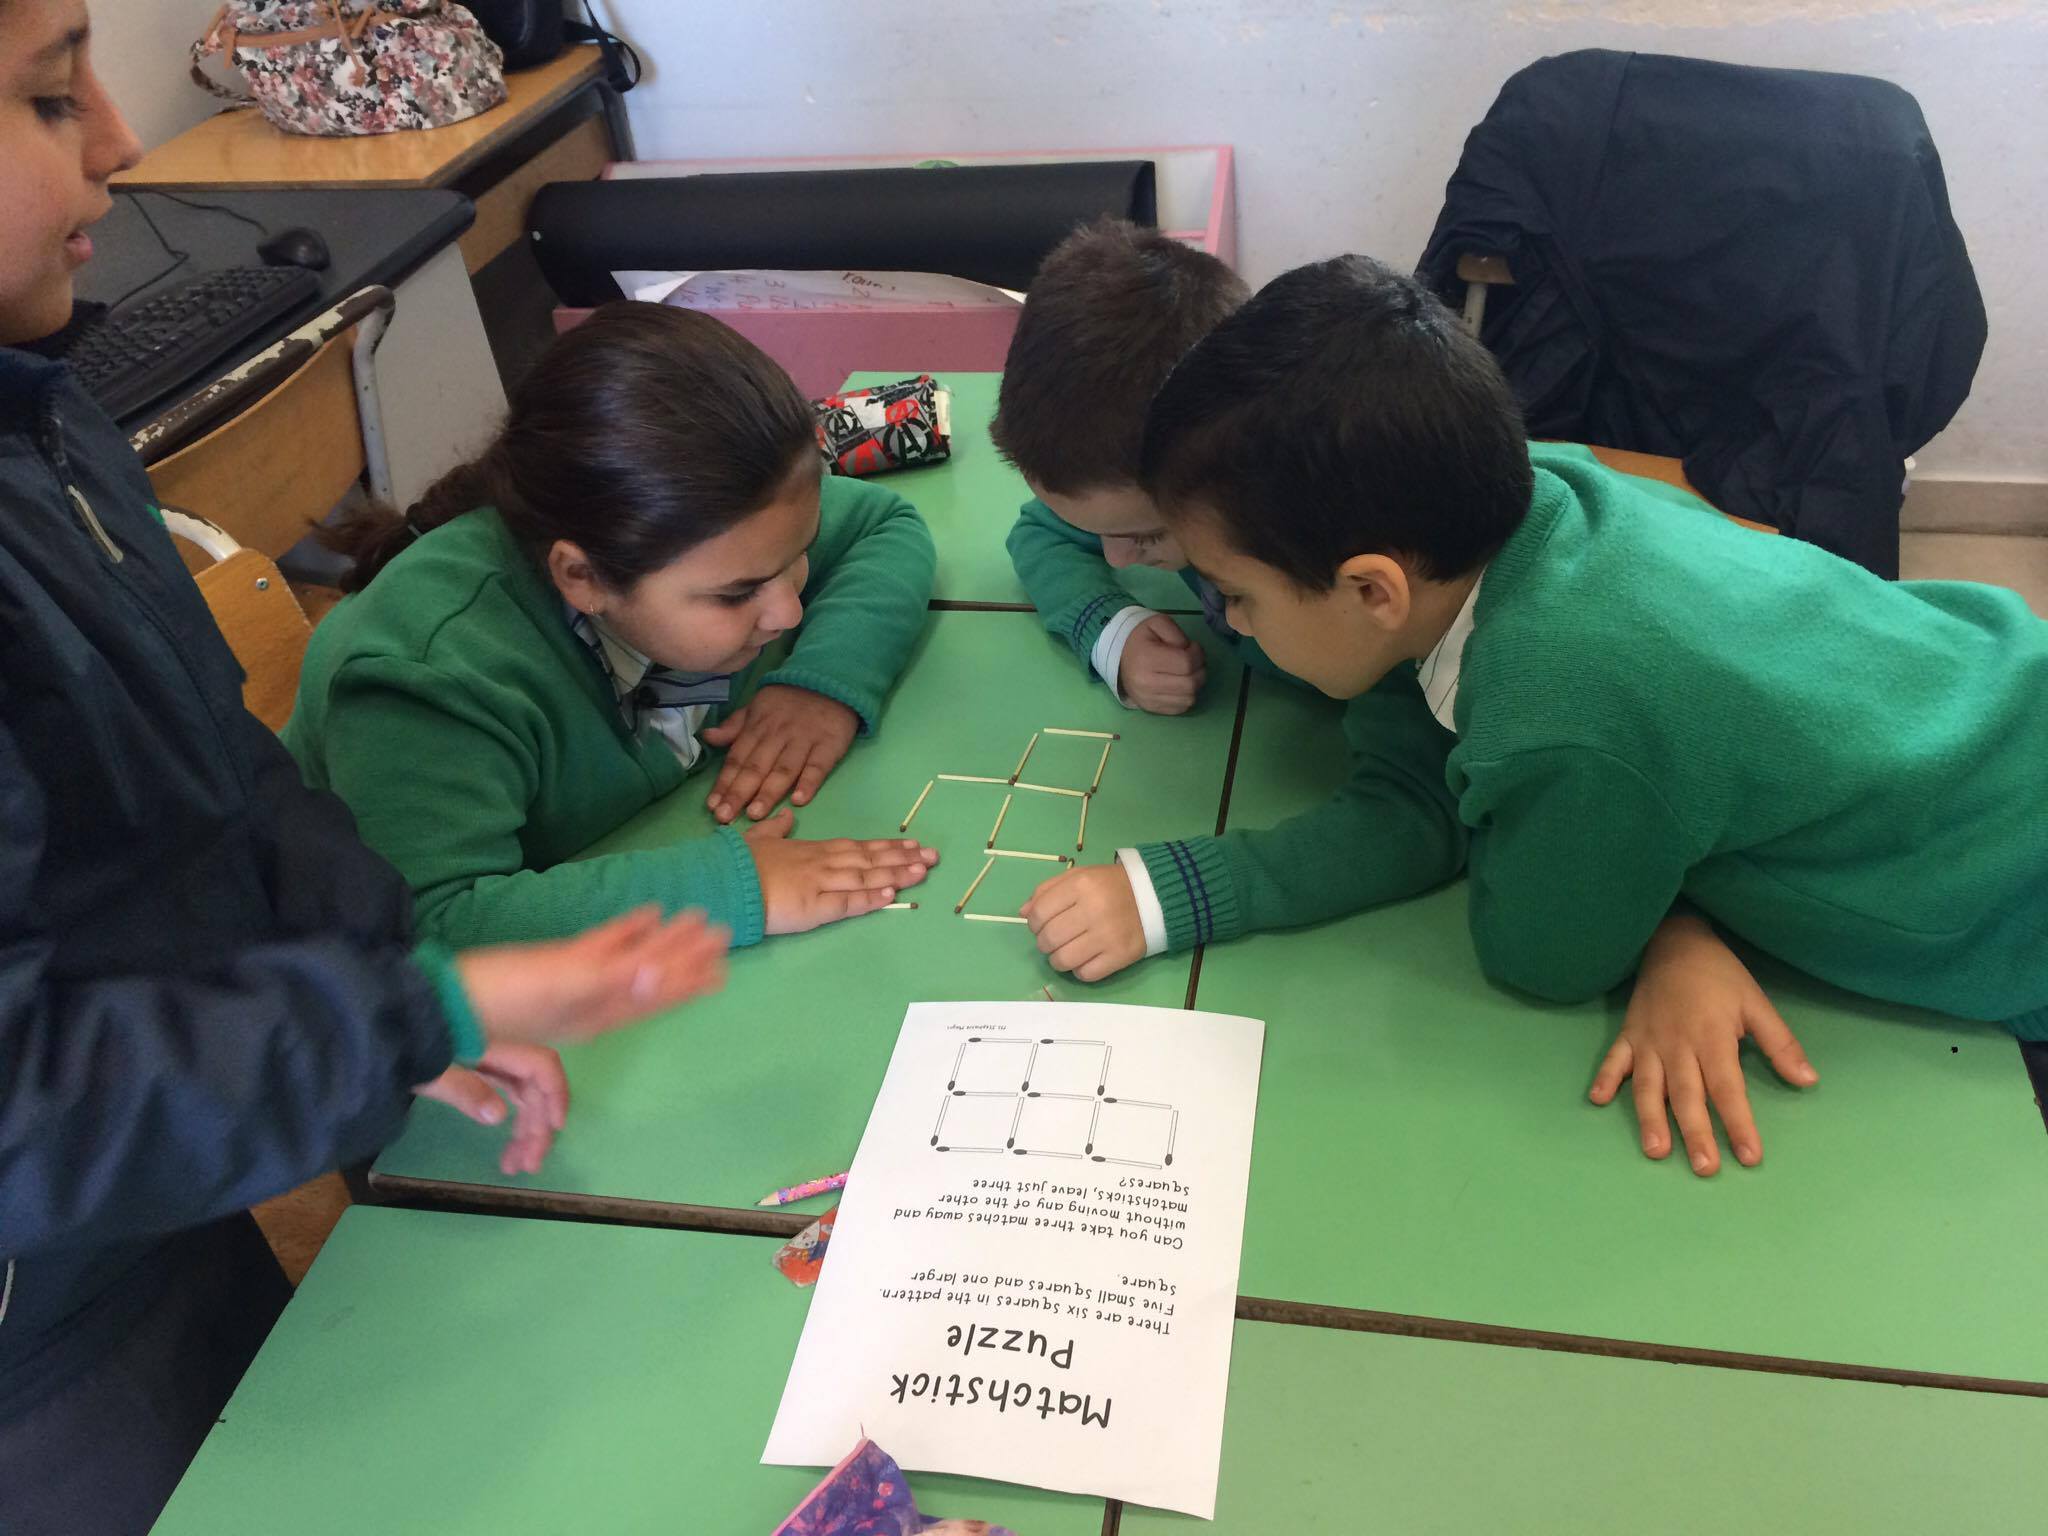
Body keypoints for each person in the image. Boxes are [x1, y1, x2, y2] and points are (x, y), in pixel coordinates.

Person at [0, 4, 727, 1531]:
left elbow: (225, 776)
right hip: (45, 1341)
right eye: (53, 97)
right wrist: (409, 1008)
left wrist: (380, 984)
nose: (121, 144)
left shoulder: (43, 416)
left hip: (173, 1187)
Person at [1130, 252, 2047, 1172]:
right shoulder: (1539, 483)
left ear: (1375, 590)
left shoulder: (1562, 715)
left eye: (1236, 596)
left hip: (2008, 897)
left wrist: (1672, 929)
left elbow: (1543, 956)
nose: (1231, 626)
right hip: (1996, 676)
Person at [286, 303, 942, 950]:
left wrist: (820, 682)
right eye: (738, 595)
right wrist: (725, 888)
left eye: (799, 554)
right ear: (584, 579)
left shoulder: (726, 525)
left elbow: (884, 526)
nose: (787, 612)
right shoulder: (421, 680)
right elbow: (436, 926)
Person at [992, 219, 1250, 715]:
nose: (1116, 559)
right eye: (1103, 534)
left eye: (1147, 536)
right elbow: (1040, 534)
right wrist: (1113, 630)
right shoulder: (1133, 501)